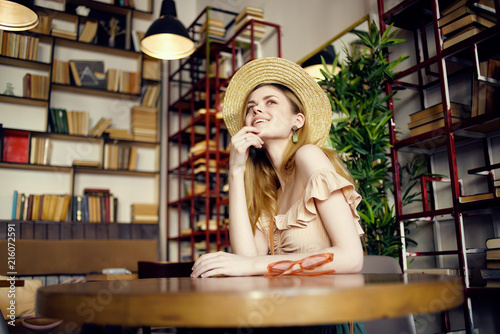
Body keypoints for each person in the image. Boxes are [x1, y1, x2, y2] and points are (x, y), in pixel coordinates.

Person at [191, 57, 366, 333]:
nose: (257, 108)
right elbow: (246, 259)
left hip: (324, 319)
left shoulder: (309, 156)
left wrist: (251, 266)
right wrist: (235, 171)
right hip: (285, 317)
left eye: (270, 101)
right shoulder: (270, 192)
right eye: (251, 107)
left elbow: (351, 258)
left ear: (298, 121)